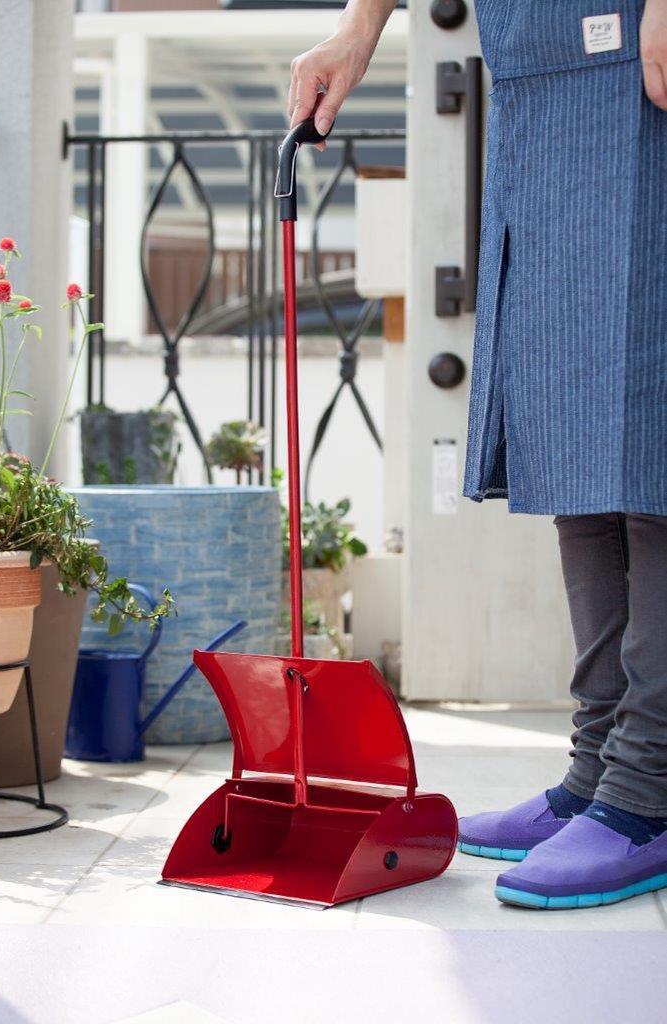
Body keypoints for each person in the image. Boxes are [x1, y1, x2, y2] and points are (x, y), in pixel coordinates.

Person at [288, 0, 667, 910]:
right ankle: (596, 770)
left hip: (643, 63)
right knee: (578, 432)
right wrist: (358, 27)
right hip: (539, 77)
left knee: (650, 435)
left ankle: (646, 790)